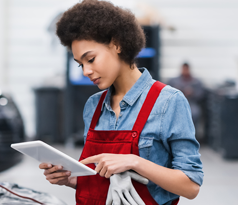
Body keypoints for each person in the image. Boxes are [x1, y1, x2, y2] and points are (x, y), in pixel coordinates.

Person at [38, 1, 203, 205]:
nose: (86, 71)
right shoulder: (93, 106)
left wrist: (135, 161)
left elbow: (190, 186)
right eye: (80, 64)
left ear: (116, 44)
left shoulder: (168, 101)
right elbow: (102, 182)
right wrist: (70, 180)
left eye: (90, 59)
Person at [168, 63, 205, 131]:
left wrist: (192, 93)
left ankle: (193, 133)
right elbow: (167, 93)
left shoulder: (196, 82)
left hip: (191, 103)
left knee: (194, 113)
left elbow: (201, 95)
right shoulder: (173, 81)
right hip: (176, 103)